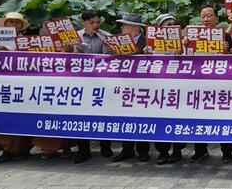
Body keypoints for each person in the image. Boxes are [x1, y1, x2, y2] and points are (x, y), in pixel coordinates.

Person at [0, 12, 36, 163]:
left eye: (16, 22)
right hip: (0, 86)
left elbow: (32, 61)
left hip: (21, 85)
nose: (13, 24)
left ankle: (20, 149)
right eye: (10, 22)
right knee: (3, 118)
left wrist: (11, 54)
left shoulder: (27, 42)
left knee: (20, 118)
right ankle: (6, 150)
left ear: (21, 26)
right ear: (4, 24)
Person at [189, 5, 232, 164]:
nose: (205, 19)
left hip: (220, 83)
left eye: (209, 16)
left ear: (216, 18)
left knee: (222, 117)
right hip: (199, 83)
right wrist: (184, 44)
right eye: (203, 16)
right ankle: (200, 150)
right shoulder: (191, 36)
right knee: (199, 117)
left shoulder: (225, 36)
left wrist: (227, 49)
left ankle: (227, 151)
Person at [71, 10, 114, 163]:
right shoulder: (74, 37)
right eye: (92, 22)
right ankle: (83, 150)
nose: (95, 25)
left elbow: (109, 58)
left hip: (101, 82)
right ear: (83, 22)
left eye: (98, 22)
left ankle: (105, 146)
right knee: (81, 116)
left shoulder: (106, 36)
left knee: (103, 114)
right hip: (80, 83)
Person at [112, 14, 152, 164]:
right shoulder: (119, 42)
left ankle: (142, 150)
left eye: (124, 25)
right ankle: (127, 149)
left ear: (134, 27)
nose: (122, 28)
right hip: (125, 85)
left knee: (142, 117)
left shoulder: (148, 42)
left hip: (143, 86)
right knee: (126, 117)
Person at [148, 13, 187, 164]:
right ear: (159, 28)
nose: (171, 27)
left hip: (178, 89)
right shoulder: (151, 45)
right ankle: (162, 151)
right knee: (161, 121)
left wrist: (183, 51)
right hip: (159, 91)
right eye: (167, 24)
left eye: (173, 24)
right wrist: (146, 54)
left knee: (178, 120)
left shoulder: (183, 43)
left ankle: (177, 150)